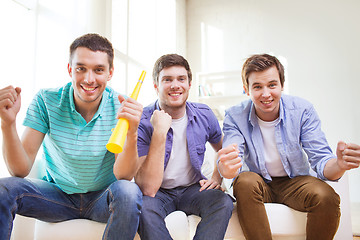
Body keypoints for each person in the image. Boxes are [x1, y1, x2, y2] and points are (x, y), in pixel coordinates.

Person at [0, 33, 143, 240]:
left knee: (129, 191)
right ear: (70, 69)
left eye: (99, 70)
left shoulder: (122, 107)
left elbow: (124, 176)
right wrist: (7, 123)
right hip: (56, 196)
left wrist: (132, 132)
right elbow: (19, 169)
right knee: (3, 188)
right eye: (81, 68)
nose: (89, 79)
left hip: (102, 198)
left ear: (110, 73)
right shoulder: (46, 100)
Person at [217, 53, 360, 240]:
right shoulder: (235, 116)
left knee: (326, 197)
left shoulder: (302, 110)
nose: (266, 94)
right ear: (246, 89)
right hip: (257, 184)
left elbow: (322, 162)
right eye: (257, 87)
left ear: (282, 85)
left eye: (272, 85)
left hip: (295, 182)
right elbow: (231, 159)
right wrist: (226, 169)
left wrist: (340, 164)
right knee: (244, 181)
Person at [135, 54, 234, 240]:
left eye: (181, 79)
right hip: (158, 192)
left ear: (189, 84)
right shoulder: (142, 120)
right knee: (142, 207)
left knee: (223, 201)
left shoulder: (204, 114)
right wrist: (159, 133)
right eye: (167, 79)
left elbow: (224, 149)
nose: (175, 85)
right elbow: (147, 188)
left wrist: (216, 177)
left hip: (192, 188)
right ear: (156, 86)